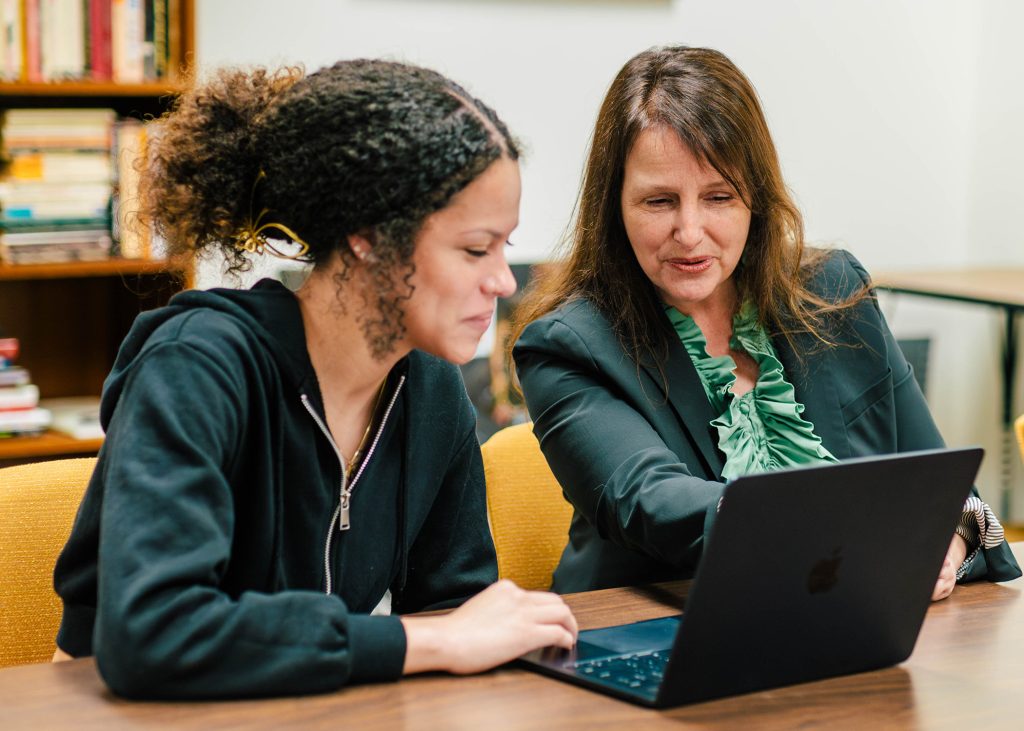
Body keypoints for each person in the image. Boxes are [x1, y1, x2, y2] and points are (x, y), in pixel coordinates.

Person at [52, 59, 577, 700]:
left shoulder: (435, 391)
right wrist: (429, 642)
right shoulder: (196, 369)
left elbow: (455, 608)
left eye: (505, 247)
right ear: (365, 235)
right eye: (475, 249)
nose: (502, 280)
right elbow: (154, 633)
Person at [510, 46, 1021, 596]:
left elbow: (942, 485)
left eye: (719, 196)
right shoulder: (568, 345)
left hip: (847, 628)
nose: (690, 230)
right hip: (648, 638)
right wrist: (873, 533)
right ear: (614, 205)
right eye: (659, 201)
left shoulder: (835, 293)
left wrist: (948, 540)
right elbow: (651, 505)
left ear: (756, 197)